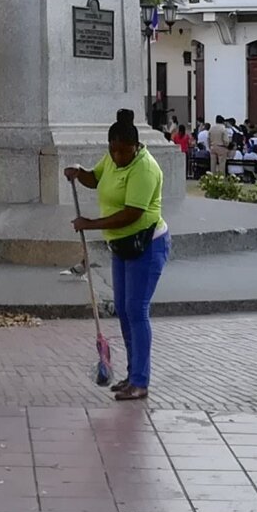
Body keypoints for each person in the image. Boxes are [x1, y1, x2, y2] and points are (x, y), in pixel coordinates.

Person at [67, 110, 168, 402]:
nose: (118, 157)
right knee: (123, 311)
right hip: (121, 247)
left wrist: (90, 224)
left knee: (137, 310)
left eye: (123, 152)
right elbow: (95, 179)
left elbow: (131, 214)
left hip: (146, 245)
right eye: (113, 151)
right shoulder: (110, 159)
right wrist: (78, 173)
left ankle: (140, 380)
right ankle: (131, 375)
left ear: (135, 147)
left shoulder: (145, 169)